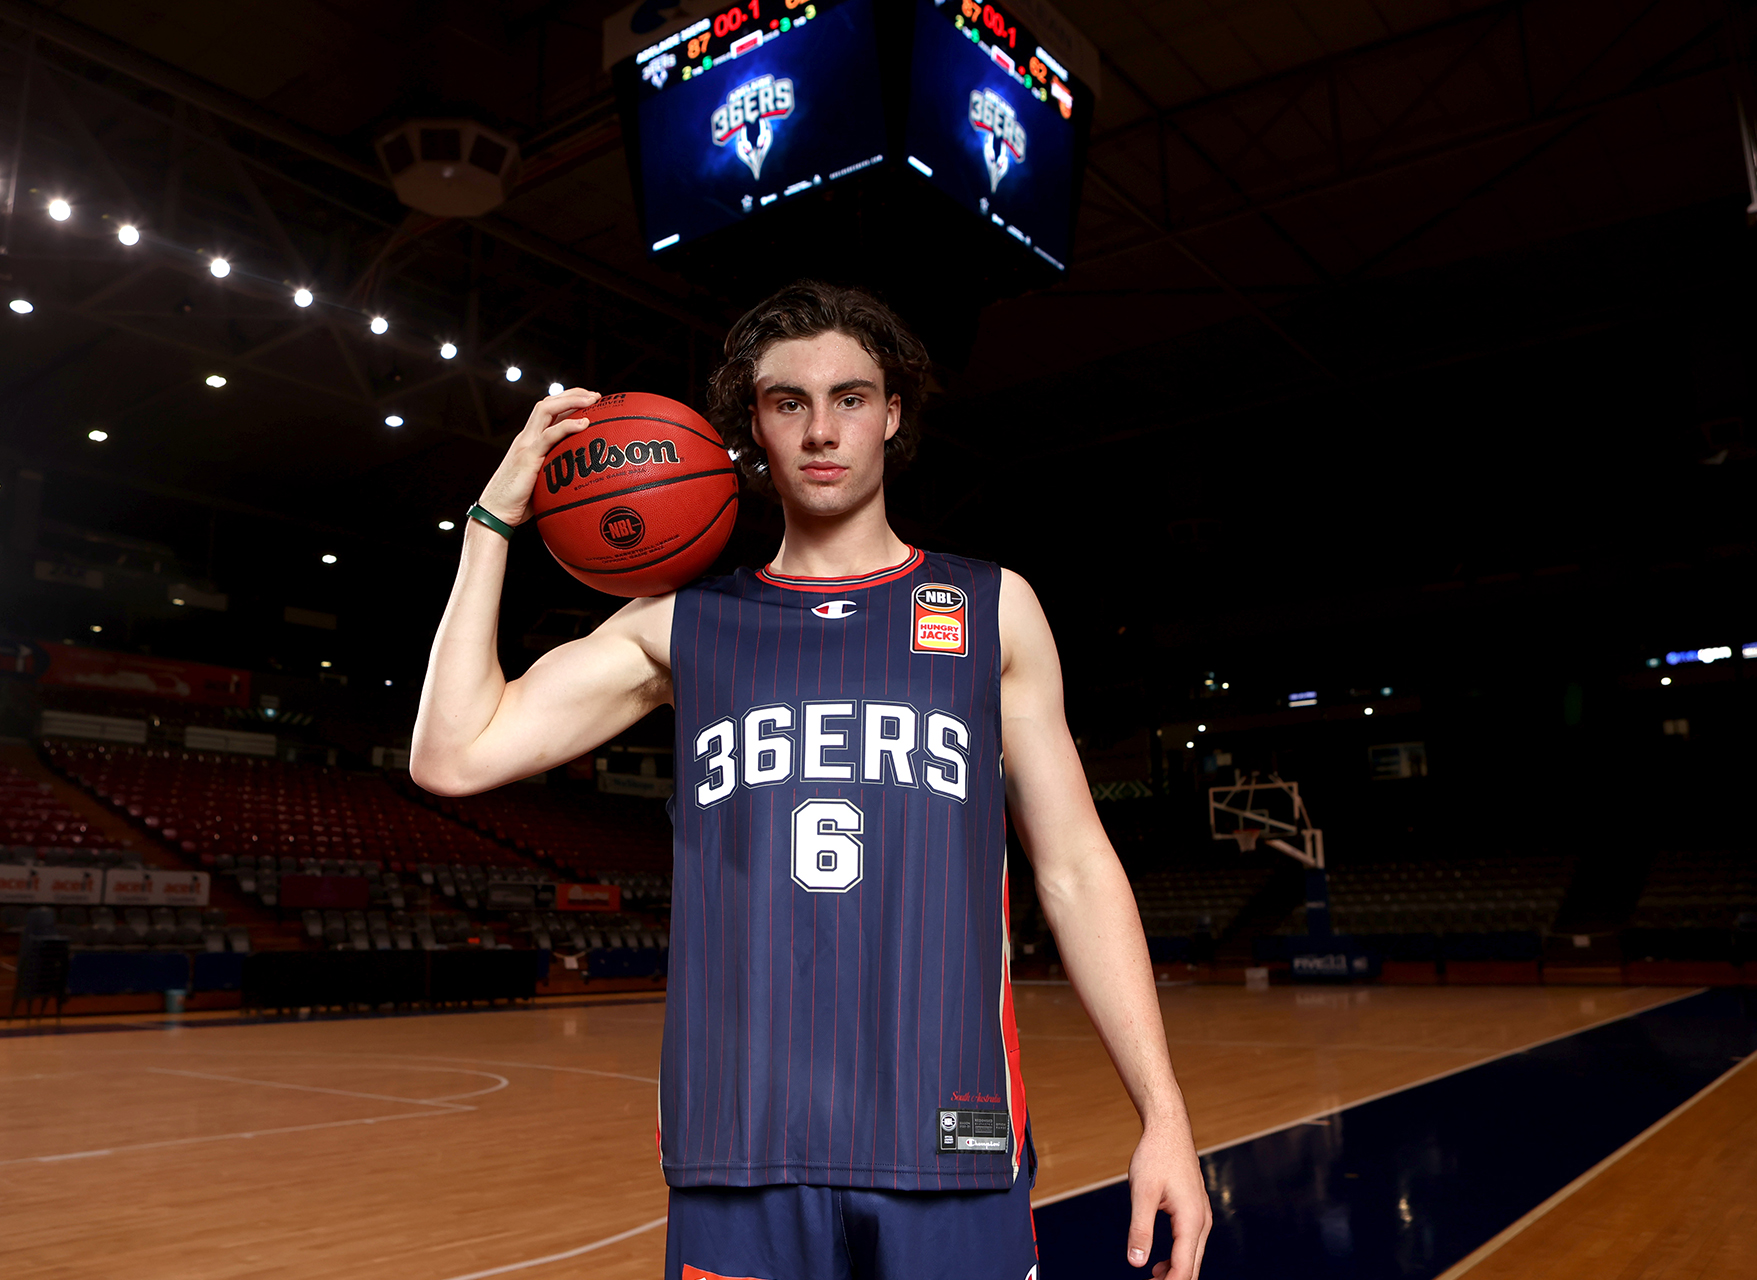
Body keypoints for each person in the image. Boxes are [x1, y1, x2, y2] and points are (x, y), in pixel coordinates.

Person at [411, 281, 1210, 1280]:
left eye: (850, 396)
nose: (822, 430)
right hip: (737, 1144)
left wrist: (1163, 1113)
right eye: (789, 401)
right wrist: (495, 513)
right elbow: (451, 752)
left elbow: (1077, 867)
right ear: (754, 422)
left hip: (952, 1132)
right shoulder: (678, 626)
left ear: (893, 413)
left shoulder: (991, 608)